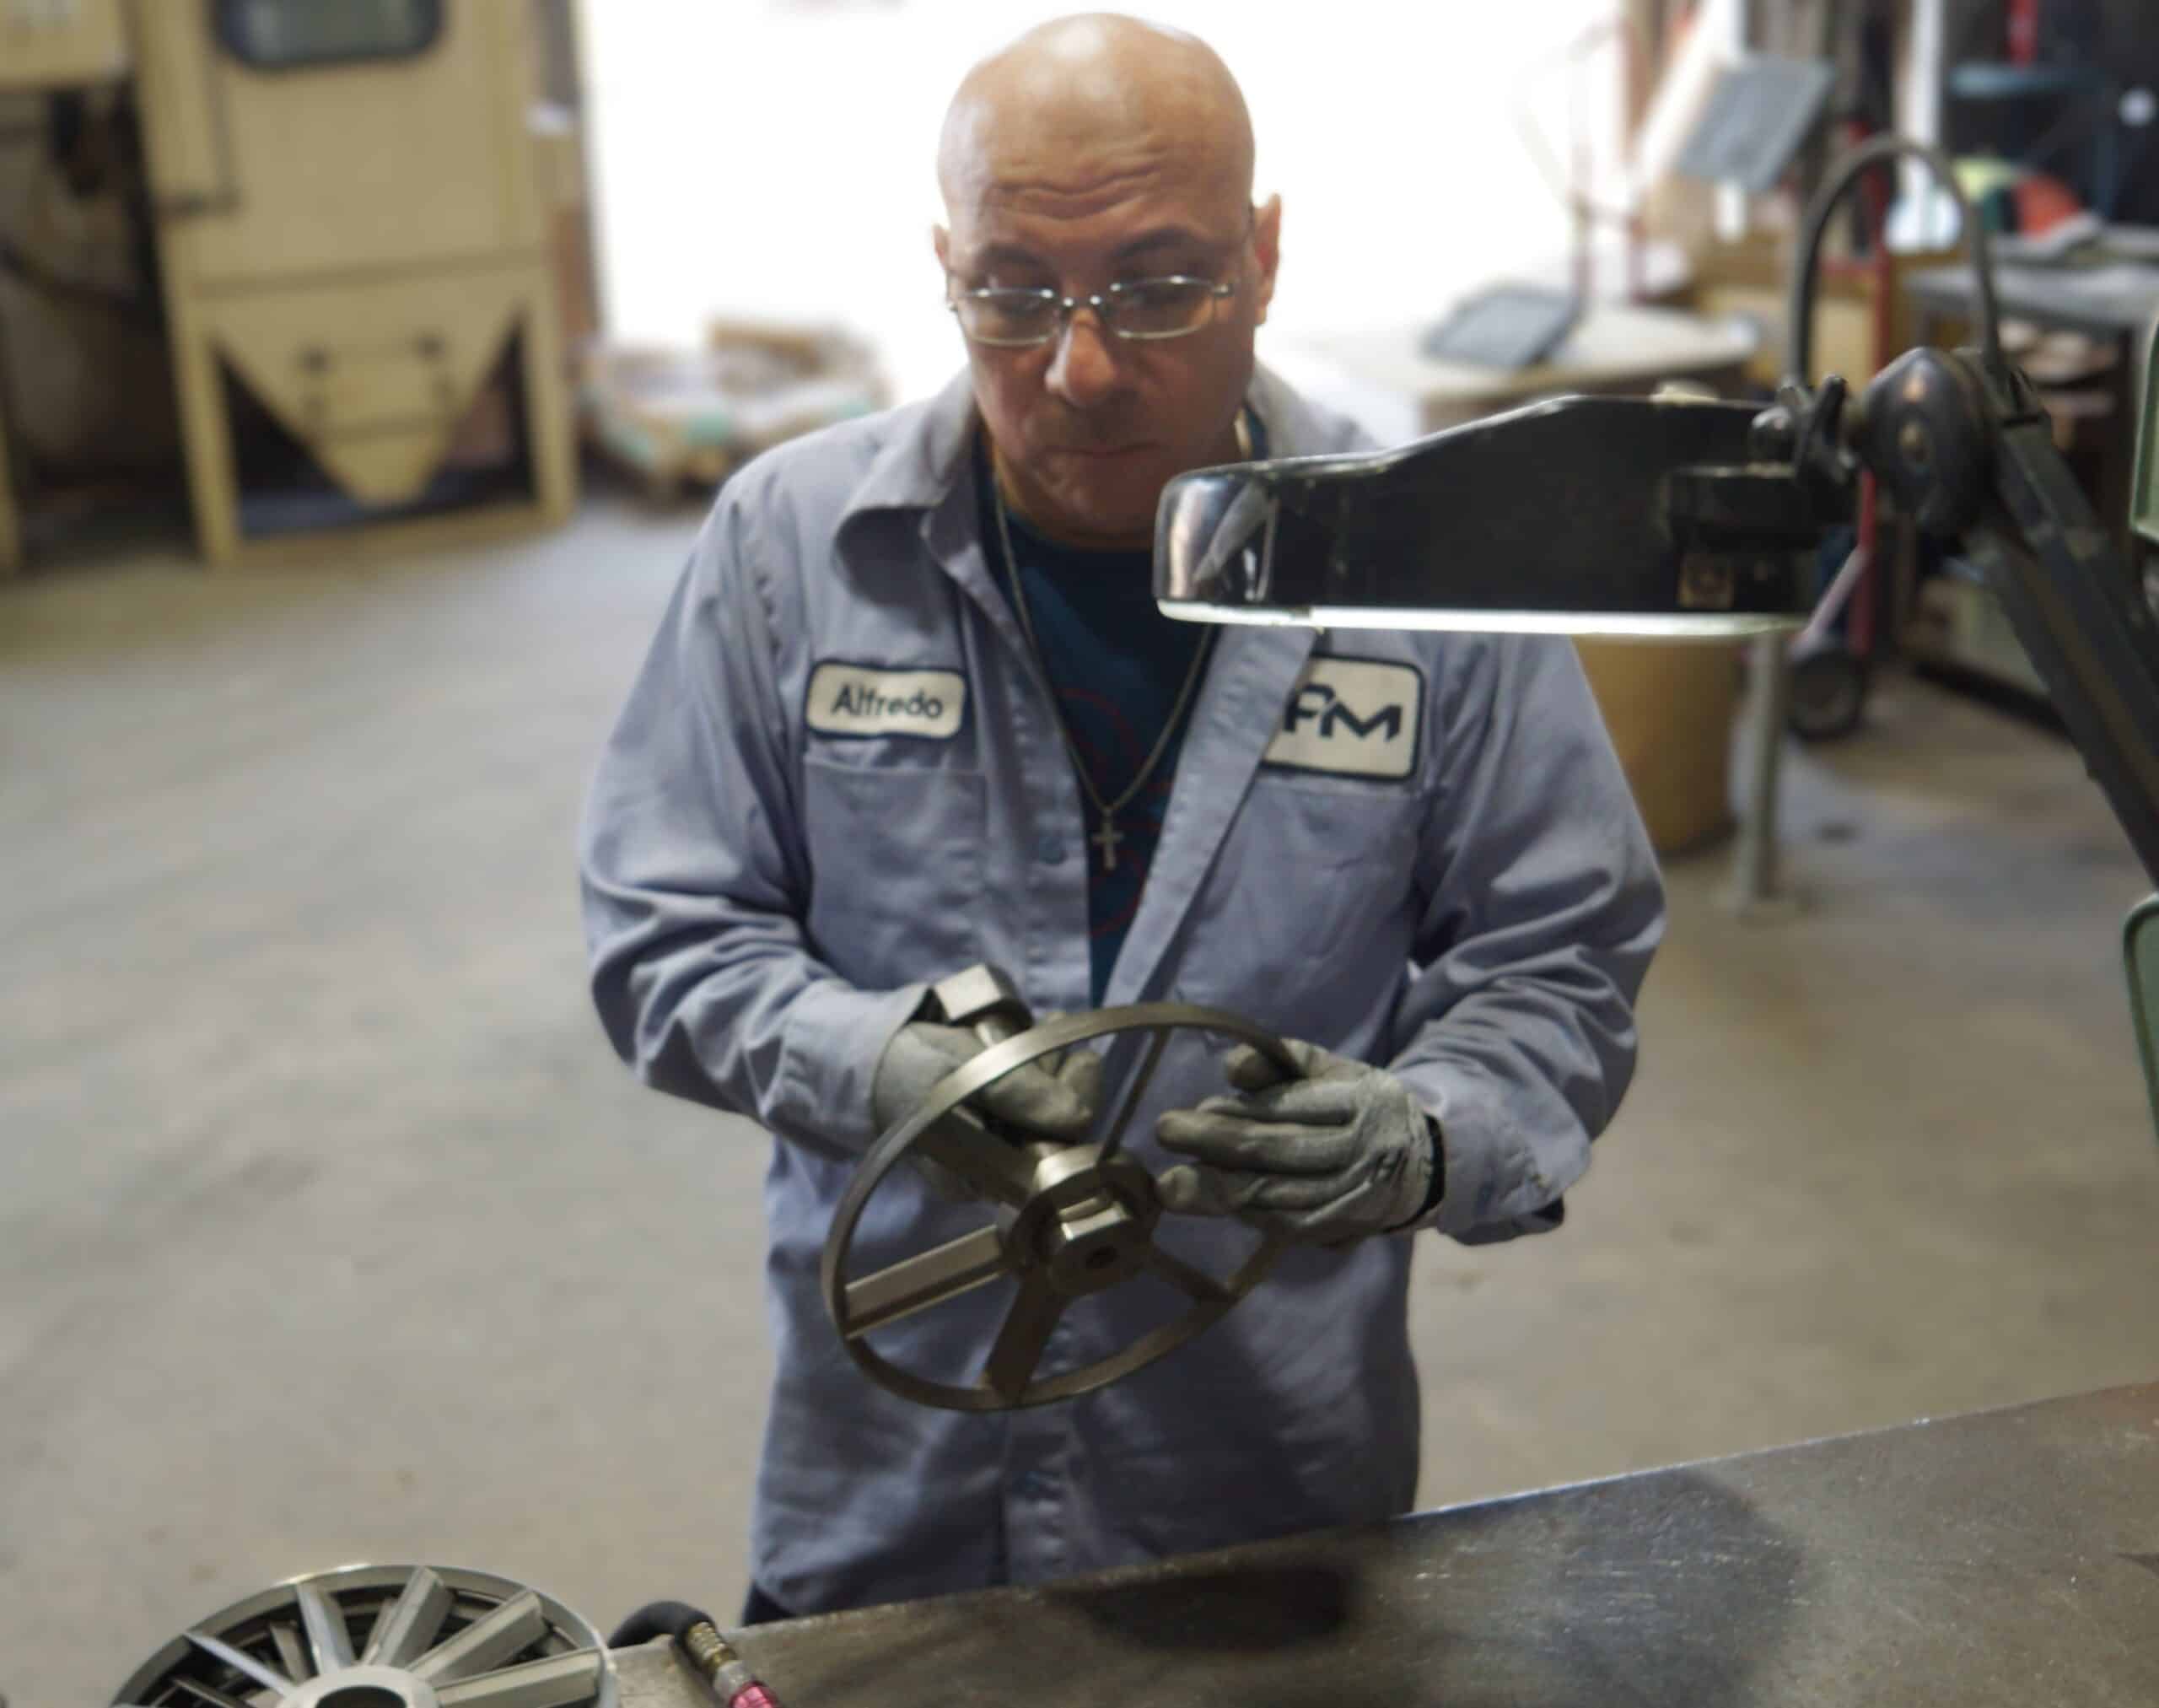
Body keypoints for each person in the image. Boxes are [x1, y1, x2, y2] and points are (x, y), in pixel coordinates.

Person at [579, 13, 1665, 1623]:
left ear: (1268, 255)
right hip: (889, 1489)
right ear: (944, 267)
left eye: (1160, 287)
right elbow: (664, 932)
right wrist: (865, 1063)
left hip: (1265, 1485)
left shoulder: (1425, 575)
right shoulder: (792, 550)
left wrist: (1427, 1138)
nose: (1081, 370)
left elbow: (1560, 954)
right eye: (1012, 293)